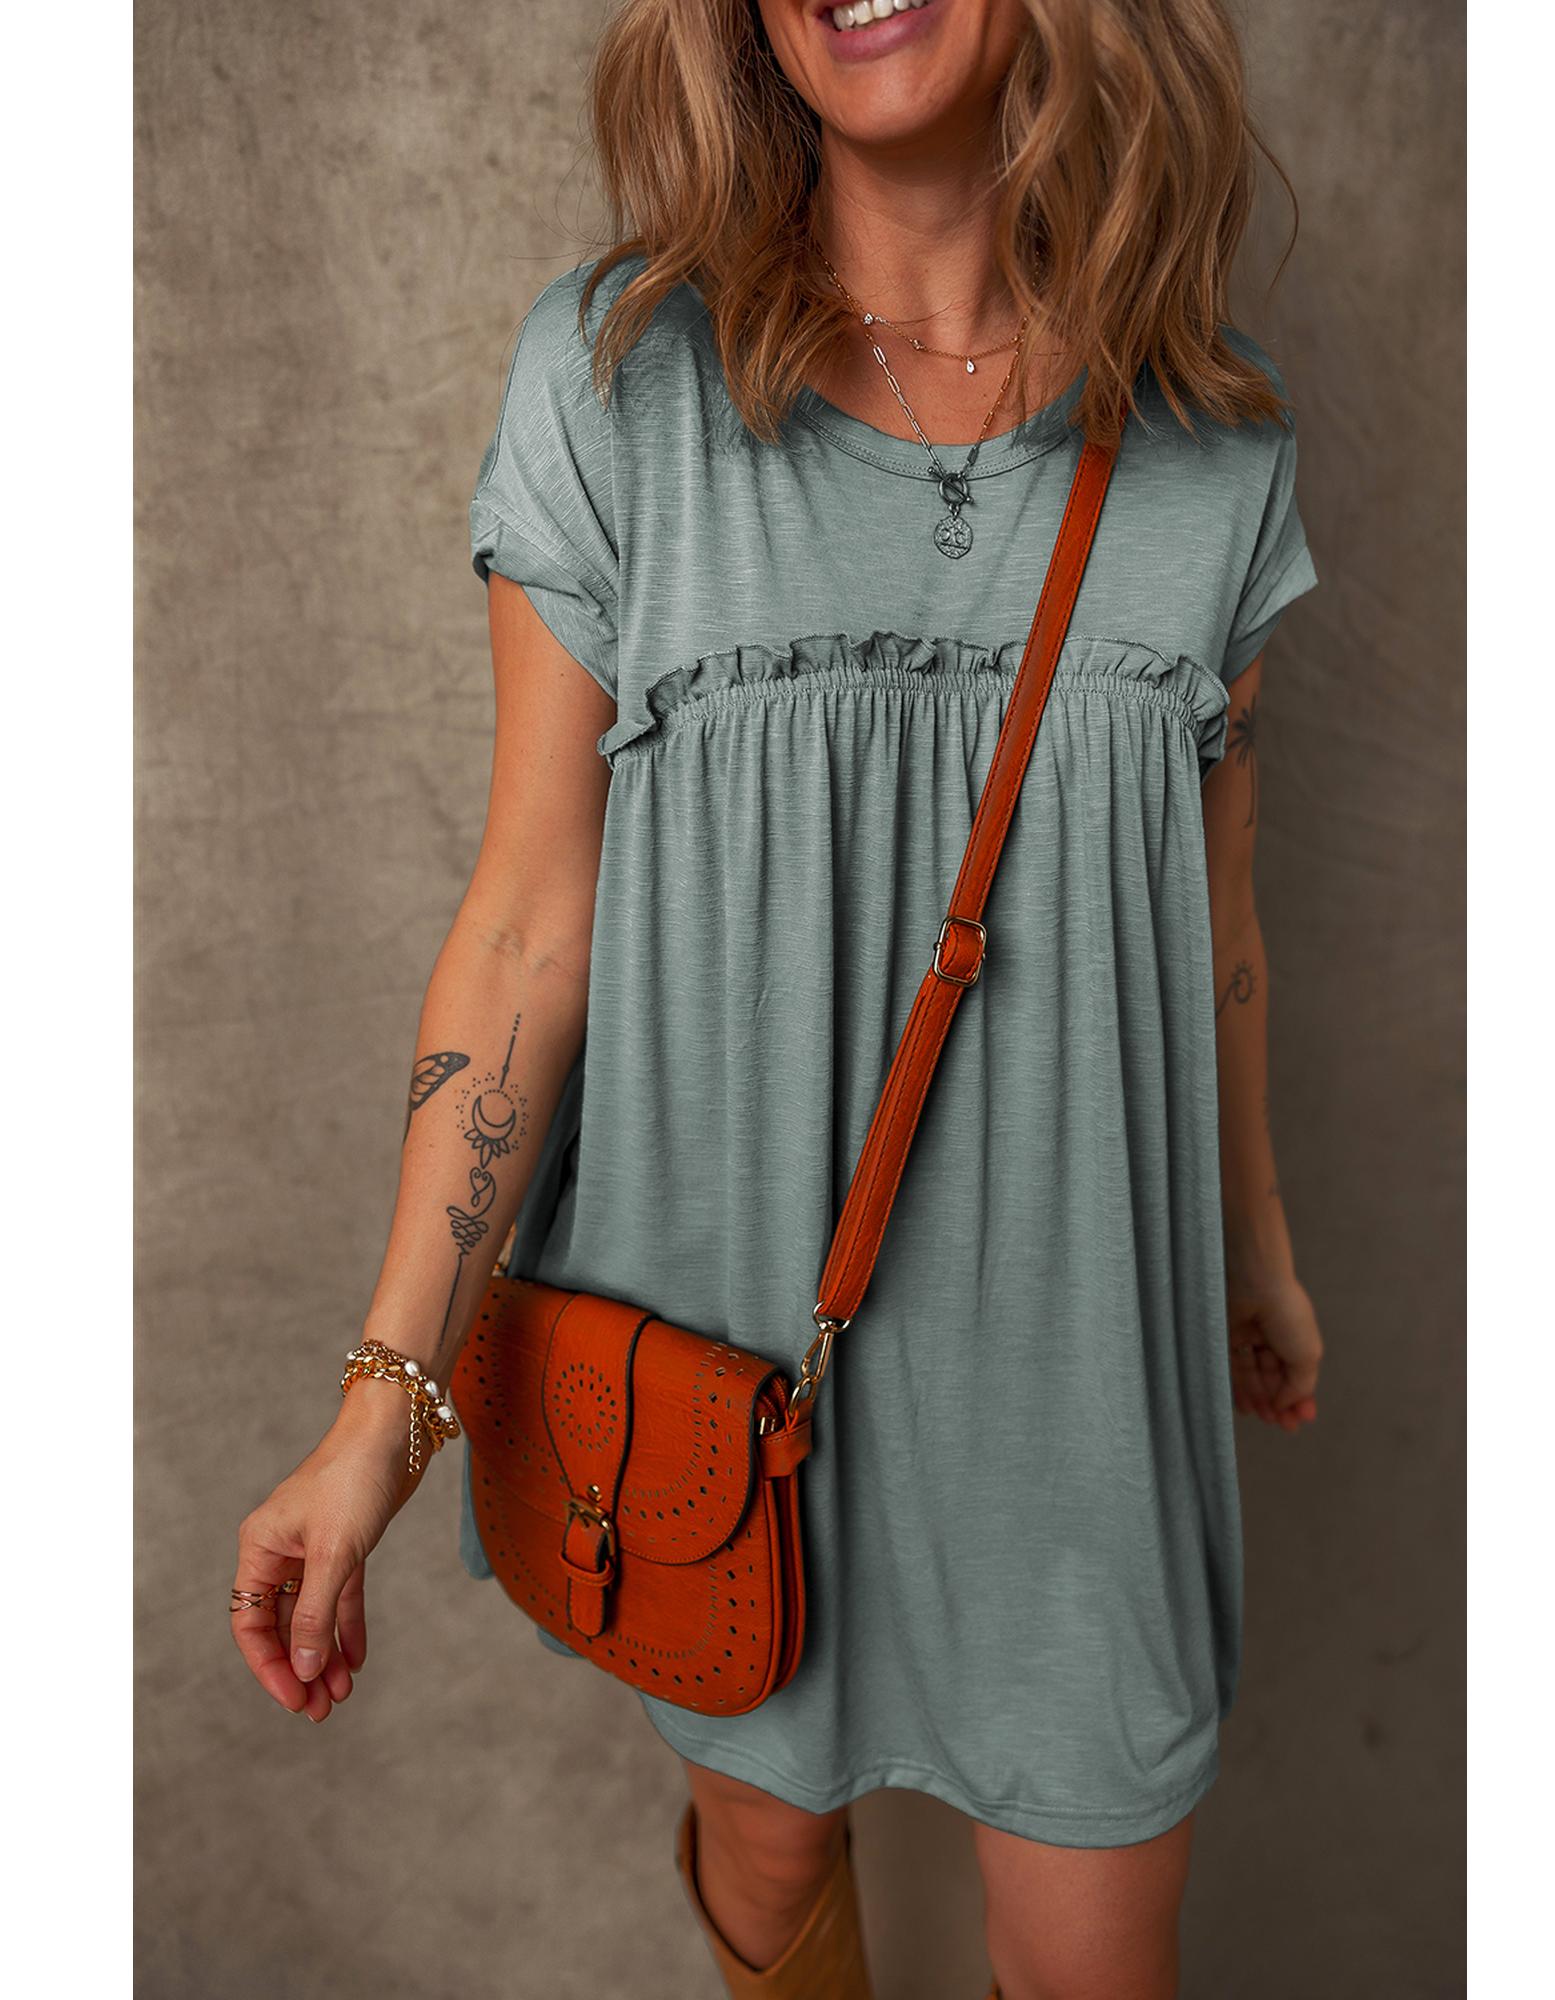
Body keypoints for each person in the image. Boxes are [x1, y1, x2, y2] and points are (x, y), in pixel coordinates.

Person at [232, 2, 1326, 1995]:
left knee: (1094, 1947)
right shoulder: (617, 383)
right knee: (765, 1864)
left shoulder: (1213, 440)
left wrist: (1252, 1249)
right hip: (729, 1371)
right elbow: (528, 920)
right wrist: (380, 1408)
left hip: (1085, 1370)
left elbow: (1219, 922)